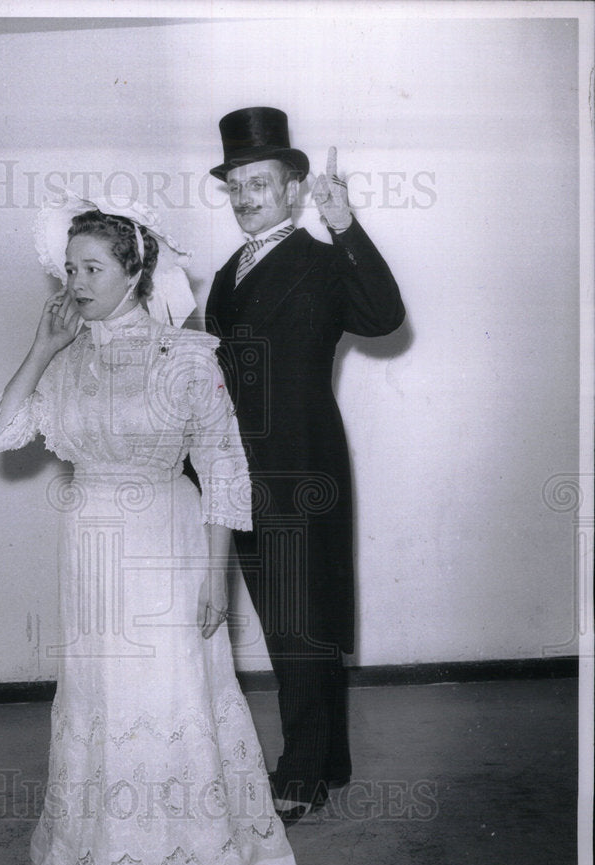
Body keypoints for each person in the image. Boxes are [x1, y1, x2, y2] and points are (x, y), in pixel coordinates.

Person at [0, 189, 300, 865]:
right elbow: (3, 432)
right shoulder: (67, 363)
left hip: (167, 542)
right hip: (92, 552)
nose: (77, 283)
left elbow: (224, 469)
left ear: (135, 272)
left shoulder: (185, 357)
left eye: (93, 267)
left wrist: (216, 579)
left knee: (170, 696)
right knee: (102, 698)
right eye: (69, 268)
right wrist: (39, 350)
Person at [205, 107, 406, 825]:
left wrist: (346, 226)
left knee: (302, 623)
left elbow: (384, 317)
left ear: (294, 189)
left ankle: (302, 773)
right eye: (235, 186)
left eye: (260, 183)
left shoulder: (322, 261)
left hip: (300, 465)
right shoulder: (228, 271)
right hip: (240, 471)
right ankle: (330, 761)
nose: (246, 197)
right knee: (284, 617)